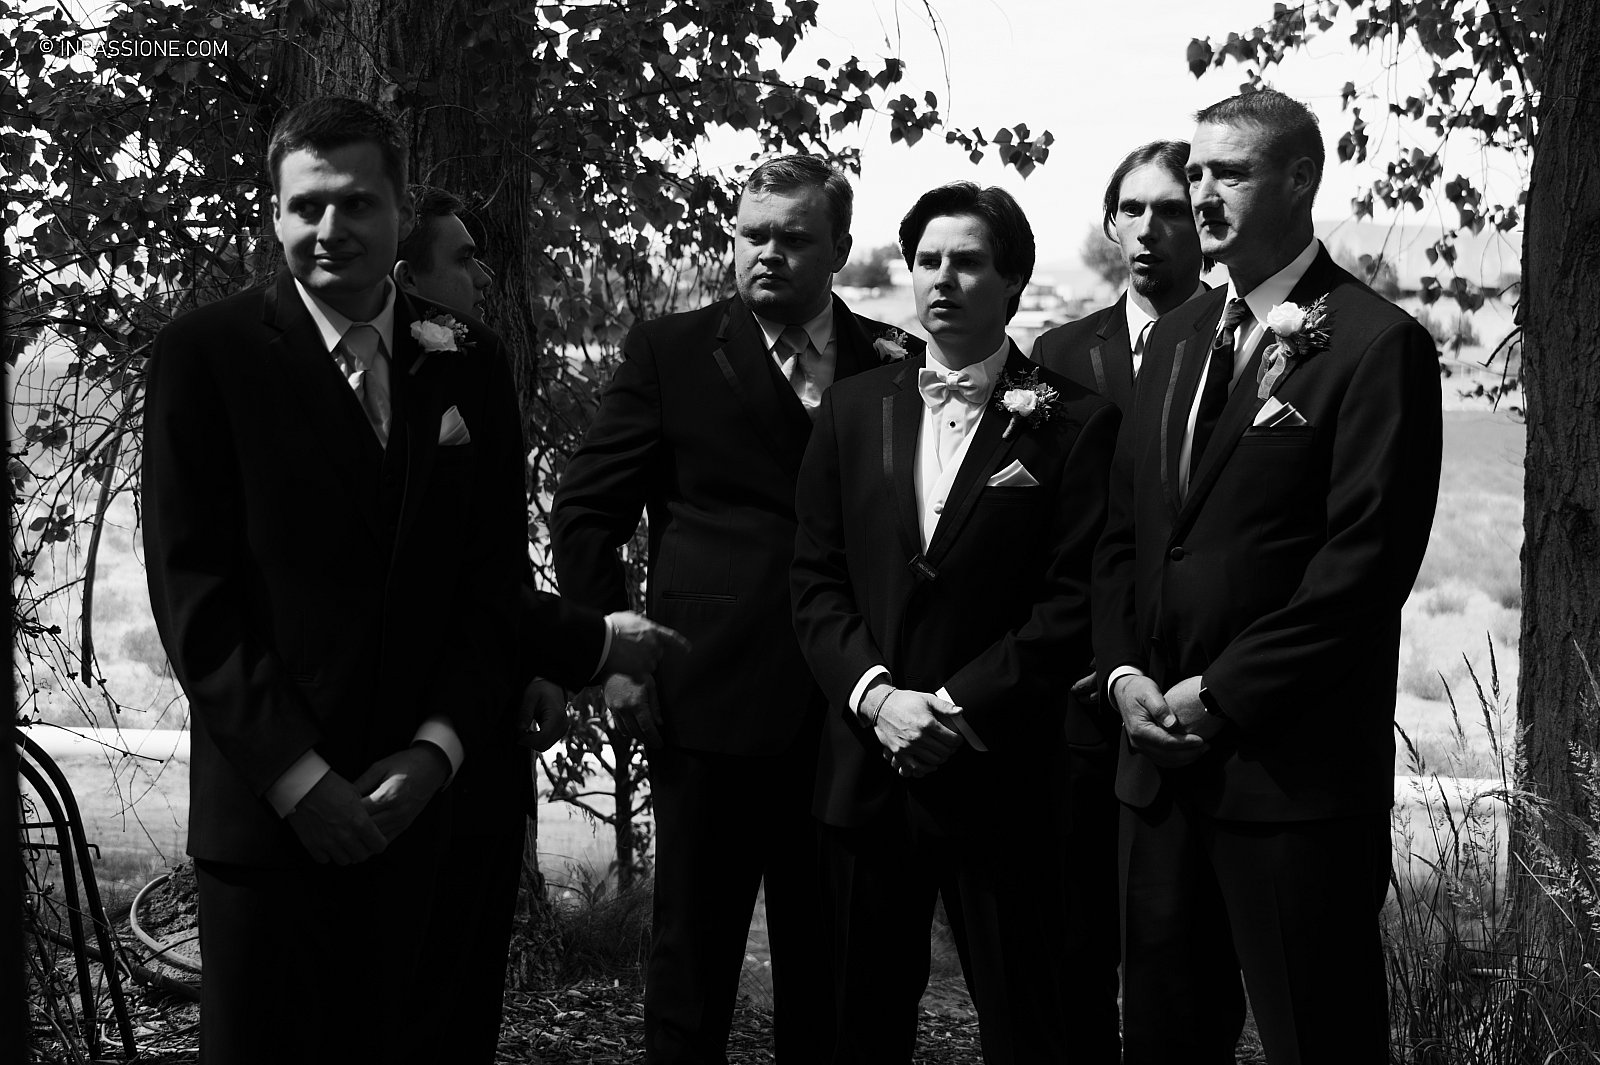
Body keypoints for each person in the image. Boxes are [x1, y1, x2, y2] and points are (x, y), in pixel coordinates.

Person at [143, 99, 671, 1064]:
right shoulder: (205, 356)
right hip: (270, 822)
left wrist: (436, 752)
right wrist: (301, 781)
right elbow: (195, 600)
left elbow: (487, 588)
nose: (330, 228)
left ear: (396, 208)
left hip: (433, 819)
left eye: (356, 203)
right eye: (306, 206)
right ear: (274, 214)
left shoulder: (469, 360)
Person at [1094, 88, 1441, 1063]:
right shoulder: (1173, 339)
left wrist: (1220, 694)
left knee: (1317, 1041)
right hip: (1156, 773)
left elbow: (1362, 568)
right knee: (1161, 1041)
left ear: (1298, 179)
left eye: (1230, 173)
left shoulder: (1376, 343)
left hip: (1292, 780)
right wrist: (1123, 677)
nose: (1201, 195)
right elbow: (1124, 539)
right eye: (1195, 171)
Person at [550, 154, 919, 1064]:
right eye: (753, 235)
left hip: (850, 705)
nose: (769, 253)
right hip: (708, 700)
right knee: (693, 961)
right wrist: (612, 654)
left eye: (794, 237)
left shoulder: (894, 361)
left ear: (839, 247)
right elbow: (588, 510)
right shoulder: (669, 352)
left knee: (830, 965)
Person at [790, 181, 1119, 1064]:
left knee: (1031, 1027)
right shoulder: (853, 408)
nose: (942, 278)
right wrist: (877, 697)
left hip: (1004, 773)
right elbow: (815, 578)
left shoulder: (1076, 423)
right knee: (856, 1029)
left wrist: (950, 708)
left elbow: (1073, 601)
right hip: (867, 770)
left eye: (967, 261)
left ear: (1013, 280)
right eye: (927, 259)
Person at [391, 184, 686, 1063]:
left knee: (465, 981)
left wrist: (540, 665)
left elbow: (494, 557)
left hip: (488, 718)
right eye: (463, 258)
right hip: (391, 722)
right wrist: (600, 644)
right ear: (407, 277)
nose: (484, 275)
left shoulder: (476, 367)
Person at [1027, 138, 1207, 1061]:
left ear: (1204, 222)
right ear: (1108, 224)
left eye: (1171, 210)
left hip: (1190, 696)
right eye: (1131, 210)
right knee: (1073, 943)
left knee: (1182, 958)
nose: (1148, 229)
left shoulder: (1241, 345)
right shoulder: (1059, 354)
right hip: (1075, 696)